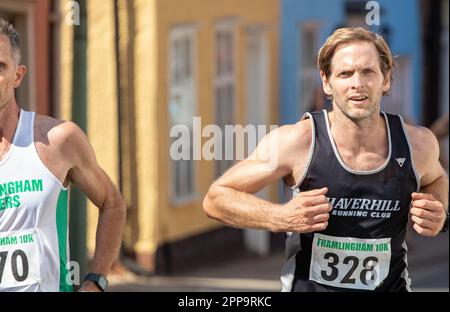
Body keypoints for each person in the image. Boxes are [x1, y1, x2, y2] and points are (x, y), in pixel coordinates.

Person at [203, 27, 449, 292]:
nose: (358, 83)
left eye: (368, 71)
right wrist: (279, 217)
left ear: (386, 79)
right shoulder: (298, 142)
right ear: (327, 82)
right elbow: (217, 198)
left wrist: (440, 214)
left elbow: (436, 178)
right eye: (345, 74)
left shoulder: (417, 145)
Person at [0, 18, 126, 292]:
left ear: (18, 75)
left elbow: (112, 204)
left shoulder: (58, 140)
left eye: (0, 67)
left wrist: (96, 281)